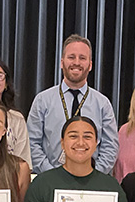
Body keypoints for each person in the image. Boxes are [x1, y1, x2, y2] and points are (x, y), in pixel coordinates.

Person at [27, 34, 119, 175]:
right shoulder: (42, 101)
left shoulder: (103, 104)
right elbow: (32, 144)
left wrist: (93, 176)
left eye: (82, 58)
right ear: (62, 62)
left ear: (90, 65)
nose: (76, 62)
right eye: (71, 57)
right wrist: (53, 174)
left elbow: (110, 147)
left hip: (91, 185)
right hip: (50, 180)